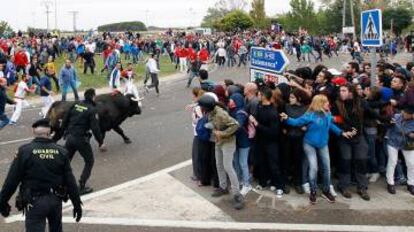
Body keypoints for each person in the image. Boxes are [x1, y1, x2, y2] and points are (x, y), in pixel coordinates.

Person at [0, 118, 82, 231]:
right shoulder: (61, 151)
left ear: (33, 133)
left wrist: (2, 202)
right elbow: (70, 181)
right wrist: (77, 204)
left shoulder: (25, 151)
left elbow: (12, 180)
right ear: (49, 133)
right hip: (55, 199)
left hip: (34, 201)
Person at [281, 95, 355, 204]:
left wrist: (342, 133)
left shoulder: (327, 114)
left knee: (327, 168)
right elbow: (296, 122)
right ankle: (313, 191)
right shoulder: (310, 115)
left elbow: (331, 126)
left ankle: (326, 191)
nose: (328, 104)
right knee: (314, 168)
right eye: (325, 102)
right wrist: (287, 118)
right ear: (319, 104)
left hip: (323, 144)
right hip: (309, 144)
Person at [197, 94, 245, 210]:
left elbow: (235, 125)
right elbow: (215, 123)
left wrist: (222, 133)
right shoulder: (211, 112)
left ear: (206, 107)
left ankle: (237, 194)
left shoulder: (221, 114)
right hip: (218, 141)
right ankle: (223, 187)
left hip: (228, 142)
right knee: (219, 165)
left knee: (228, 167)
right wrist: (212, 127)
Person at [61, 88, 106, 195]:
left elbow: (65, 120)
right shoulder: (91, 109)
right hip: (81, 139)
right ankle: (81, 185)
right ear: (92, 97)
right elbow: (95, 128)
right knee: (89, 161)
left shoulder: (75, 105)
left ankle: (61, 184)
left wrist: (64, 133)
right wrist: (101, 142)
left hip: (69, 137)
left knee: (65, 161)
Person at [249, 87, 285, 198]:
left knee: (274, 164)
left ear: (264, 96)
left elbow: (273, 132)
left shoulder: (272, 112)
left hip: (271, 142)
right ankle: (263, 182)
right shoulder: (260, 106)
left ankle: (279, 186)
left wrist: (256, 123)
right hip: (260, 141)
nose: (258, 96)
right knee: (262, 162)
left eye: (259, 94)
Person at [385, 105, 414, 196]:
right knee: (392, 162)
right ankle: (390, 183)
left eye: (407, 114)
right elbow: (388, 126)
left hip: (407, 144)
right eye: (404, 113)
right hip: (393, 142)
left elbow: (405, 131)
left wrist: (396, 125)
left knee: (411, 163)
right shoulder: (396, 116)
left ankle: (411, 184)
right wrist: (389, 123)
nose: (404, 115)